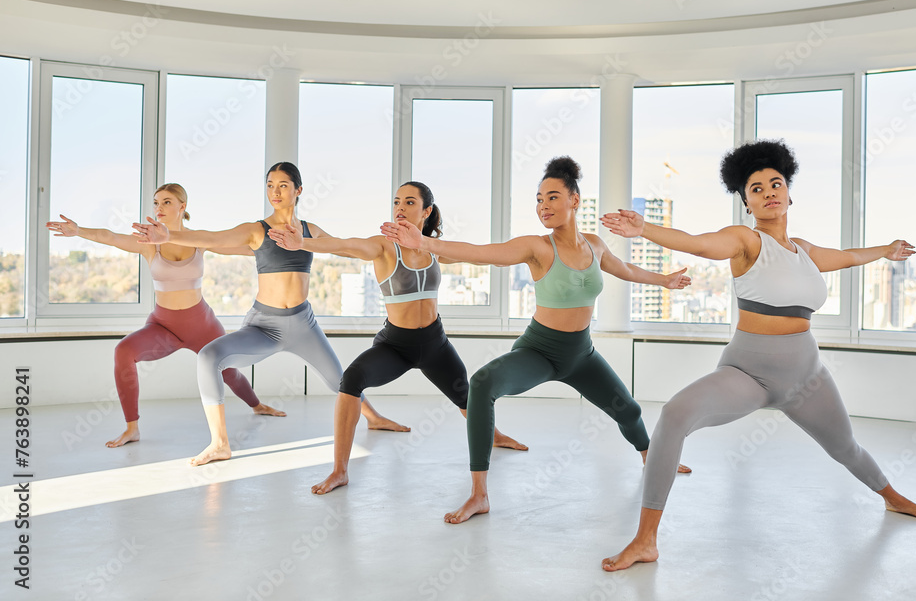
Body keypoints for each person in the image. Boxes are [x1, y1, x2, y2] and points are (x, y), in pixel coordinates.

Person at [600, 139, 916, 572]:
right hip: (749, 372)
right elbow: (699, 244)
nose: (768, 192)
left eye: (774, 183)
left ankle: (893, 499)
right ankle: (645, 540)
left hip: (807, 376)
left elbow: (850, 256)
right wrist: (645, 230)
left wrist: (885, 251)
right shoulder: (744, 241)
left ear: (789, 193)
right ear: (746, 202)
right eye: (756, 189)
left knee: (846, 448)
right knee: (674, 415)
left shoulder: (805, 251)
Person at [382, 157, 692, 524]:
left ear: (575, 200)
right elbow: (482, 254)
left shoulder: (594, 245)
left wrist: (665, 280)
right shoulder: (537, 247)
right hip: (539, 350)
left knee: (629, 410)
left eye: (553, 197)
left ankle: (649, 458)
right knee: (482, 383)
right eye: (539, 199)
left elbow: (624, 270)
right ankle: (479, 494)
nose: (543, 206)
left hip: (581, 354)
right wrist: (428, 244)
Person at [132, 163, 407, 466]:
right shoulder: (256, 230)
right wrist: (167, 236)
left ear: (298, 190)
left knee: (339, 379)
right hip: (264, 326)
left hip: (304, 324)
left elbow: (345, 248)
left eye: (283, 185)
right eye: (270, 185)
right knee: (209, 357)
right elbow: (210, 238)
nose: (275, 192)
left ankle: (375, 418)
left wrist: (389, 245)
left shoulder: (309, 231)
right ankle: (220, 443)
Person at [267, 181, 526, 494]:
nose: (400, 208)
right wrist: (303, 243)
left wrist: (521, 255)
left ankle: (495, 436)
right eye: (396, 202)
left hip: (435, 344)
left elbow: (479, 256)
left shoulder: (433, 248)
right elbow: (343, 245)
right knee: (350, 381)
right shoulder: (383, 246)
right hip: (396, 345)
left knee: (465, 395)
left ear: (426, 211)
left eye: (410, 203)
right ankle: (339, 471)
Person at [47, 183, 284, 448]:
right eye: (156, 202)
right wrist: (78, 231)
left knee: (228, 372)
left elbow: (247, 248)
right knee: (123, 351)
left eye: (167, 202)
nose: (159, 208)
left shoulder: (198, 240)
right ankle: (132, 428)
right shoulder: (149, 244)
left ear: (183, 206)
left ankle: (257, 404)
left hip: (202, 325)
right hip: (164, 327)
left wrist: (281, 245)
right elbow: (110, 236)